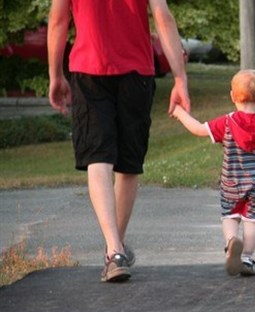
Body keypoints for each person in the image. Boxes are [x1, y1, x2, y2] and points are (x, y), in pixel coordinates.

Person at [47, 0, 191, 282]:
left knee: (97, 158)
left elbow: (58, 20)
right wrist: (180, 78)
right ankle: (116, 252)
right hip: (137, 72)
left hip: (89, 69)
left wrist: (55, 74)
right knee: (128, 164)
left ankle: (114, 250)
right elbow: (162, 17)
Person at [171, 69, 255, 276]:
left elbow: (199, 129)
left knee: (230, 216)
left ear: (232, 96)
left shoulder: (227, 122)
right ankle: (246, 258)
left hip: (232, 181)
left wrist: (180, 113)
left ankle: (231, 243)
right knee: (252, 220)